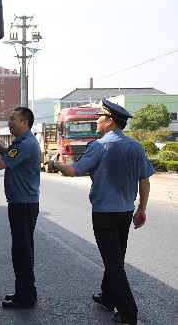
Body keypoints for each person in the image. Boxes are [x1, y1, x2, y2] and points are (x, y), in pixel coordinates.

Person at [46, 98, 154, 325]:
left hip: (104, 213)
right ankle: (107, 298)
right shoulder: (136, 146)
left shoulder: (99, 146)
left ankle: (128, 313)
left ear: (110, 121)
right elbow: (144, 180)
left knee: (113, 261)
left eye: (100, 118)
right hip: (125, 212)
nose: (97, 121)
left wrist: (54, 164)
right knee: (116, 256)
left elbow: (74, 171)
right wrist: (142, 208)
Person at [0, 107, 40, 309]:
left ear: (25, 123)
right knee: (22, 249)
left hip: (23, 204)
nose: (9, 121)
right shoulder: (23, 142)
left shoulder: (25, 144)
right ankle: (25, 292)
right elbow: (9, 155)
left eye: (13, 119)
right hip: (22, 202)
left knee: (22, 250)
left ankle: (25, 297)